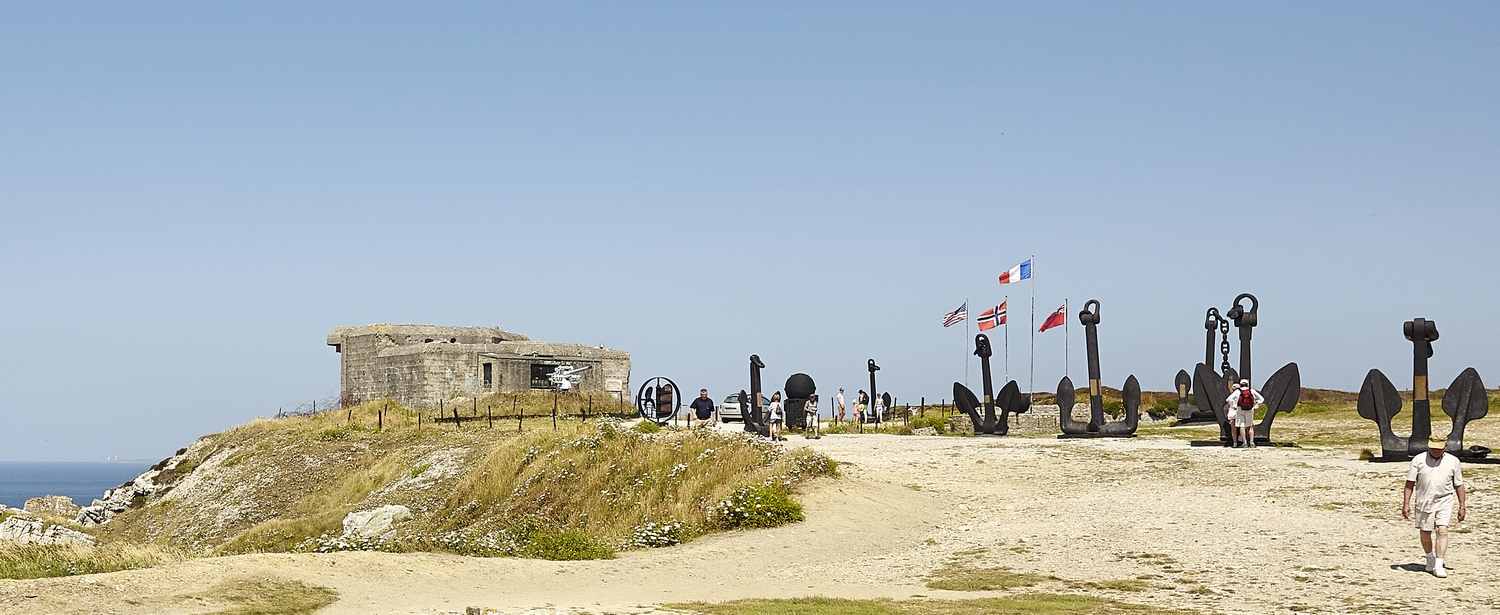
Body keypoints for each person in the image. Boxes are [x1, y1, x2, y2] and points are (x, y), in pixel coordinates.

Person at [1403, 433, 1467, 578]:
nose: (1435, 451)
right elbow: (1410, 483)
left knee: (1442, 530)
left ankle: (1439, 563)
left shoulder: (1453, 461)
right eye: (1432, 448)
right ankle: (1429, 556)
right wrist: (1406, 503)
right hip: (1424, 500)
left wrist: (1462, 505)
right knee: (1425, 532)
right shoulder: (1418, 460)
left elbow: (1459, 484)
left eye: (1438, 448)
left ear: (1446, 446)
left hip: (1444, 500)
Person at [1226, 379, 1263, 448]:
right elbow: (1261, 399)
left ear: (1240, 384)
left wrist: (1234, 406)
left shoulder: (1238, 391)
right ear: (1247, 384)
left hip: (1240, 409)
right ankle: (1252, 442)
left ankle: (1244, 443)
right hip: (1250, 409)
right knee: (1250, 426)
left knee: (1242, 426)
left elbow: (1229, 399)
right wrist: (1255, 407)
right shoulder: (1251, 391)